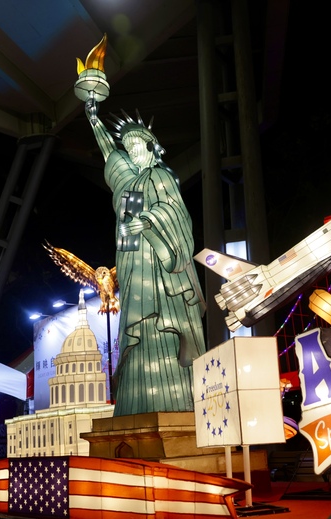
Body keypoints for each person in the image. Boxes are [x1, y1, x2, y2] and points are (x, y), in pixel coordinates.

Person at [84, 90, 207, 416]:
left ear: (154, 149)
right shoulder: (131, 186)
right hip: (135, 273)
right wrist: (93, 117)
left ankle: (177, 405)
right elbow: (111, 151)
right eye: (130, 149)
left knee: (163, 333)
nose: (133, 153)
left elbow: (176, 214)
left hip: (162, 275)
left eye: (139, 147)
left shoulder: (161, 176)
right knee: (136, 336)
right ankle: (135, 405)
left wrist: (149, 223)